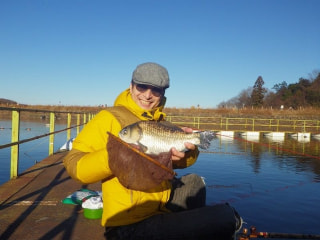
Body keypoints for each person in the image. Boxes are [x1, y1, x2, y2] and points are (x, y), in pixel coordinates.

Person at [63, 62, 242, 240]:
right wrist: (115, 156)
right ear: (131, 87)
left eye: (155, 90)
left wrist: (185, 154)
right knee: (225, 217)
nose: (148, 95)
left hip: (160, 206)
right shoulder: (108, 118)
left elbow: (183, 160)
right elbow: (75, 166)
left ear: (163, 94)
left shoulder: (160, 122)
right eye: (142, 87)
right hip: (128, 224)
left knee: (195, 182)